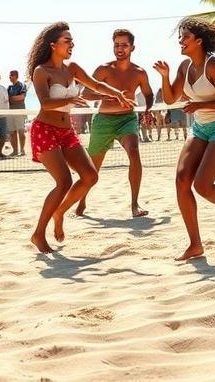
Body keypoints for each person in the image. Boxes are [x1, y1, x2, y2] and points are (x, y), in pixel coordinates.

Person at [26, 22, 134, 254]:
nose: (72, 44)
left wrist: (117, 94)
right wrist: (68, 101)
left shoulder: (72, 68)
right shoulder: (41, 71)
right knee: (63, 181)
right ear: (53, 45)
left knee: (90, 176)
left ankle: (60, 211)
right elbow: (45, 103)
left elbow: (95, 84)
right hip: (44, 129)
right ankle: (38, 234)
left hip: (66, 131)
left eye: (72, 41)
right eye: (67, 40)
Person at [154, 17, 215, 261]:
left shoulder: (213, 66)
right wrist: (164, 76)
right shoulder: (184, 67)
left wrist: (198, 104)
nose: (180, 41)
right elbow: (170, 98)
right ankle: (195, 245)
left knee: (203, 186)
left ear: (199, 41)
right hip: (201, 128)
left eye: (185, 37)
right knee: (182, 180)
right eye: (180, 37)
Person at [75, 29, 153, 218]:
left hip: (127, 120)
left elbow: (148, 94)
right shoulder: (103, 69)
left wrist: (147, 110)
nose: (120, 48)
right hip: (103, 121)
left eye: (124, 45)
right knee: (93, 168)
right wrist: (109, 95)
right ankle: (82, 202)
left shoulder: (140, 73)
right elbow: (85, 94)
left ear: (132, 47)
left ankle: (135, 205)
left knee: (134, 153)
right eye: (116, 44)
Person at [7, 70, 28, 156]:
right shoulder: (9, 87)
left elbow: (21, 97)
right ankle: (15, 151)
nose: (10, 77)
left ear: (16, 76)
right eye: (9, 75)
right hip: (10, 112)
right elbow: (6, 98)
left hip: (19, 111)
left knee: (21, 132)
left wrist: (11, 98)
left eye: (11, 75)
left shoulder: (21, 85)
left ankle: (22, 150)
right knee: (12, 133)